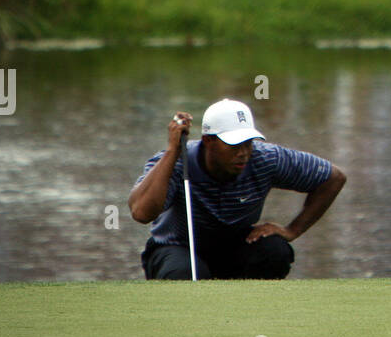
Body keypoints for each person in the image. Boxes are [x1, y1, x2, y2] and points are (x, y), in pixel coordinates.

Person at [130, 99, 346, 281]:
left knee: (275, 251)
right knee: (185, 272)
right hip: (176, 248)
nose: (244, 153)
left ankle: (251, 319)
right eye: (234, 145)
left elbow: (333, 178)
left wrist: (293, 230)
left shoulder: (265, 158)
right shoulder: (176, 162)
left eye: (248, 143)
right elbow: (141, 213)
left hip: (234, 248)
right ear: (208, 141)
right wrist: (172, 151)